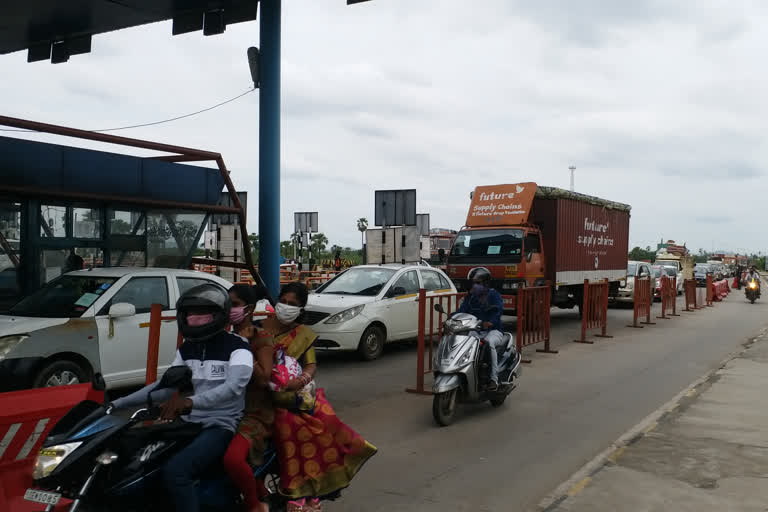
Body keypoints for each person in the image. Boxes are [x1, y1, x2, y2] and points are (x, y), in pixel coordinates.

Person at [111, 283, 253, 512]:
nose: (194, 318)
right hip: (190, 422)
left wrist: (189, 402)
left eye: (201, 313)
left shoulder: (238, 347)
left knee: (177, 471)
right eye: (190, 313)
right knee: (135, 459)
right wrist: (115, 404)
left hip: (220, 424)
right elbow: (165, 387)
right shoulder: (188, 348)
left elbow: (233, 388)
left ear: (218, 315)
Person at [266, 282, 377, 512]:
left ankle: (313, 491)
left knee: (323, 425)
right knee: (289, 426)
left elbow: (311, 365)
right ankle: (297, 489)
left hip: (295, 392)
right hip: (266, 394)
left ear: (301, 309)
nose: (286, 307)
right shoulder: (260, 328)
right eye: (283, 301)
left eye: (292, 304)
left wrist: (301, 380)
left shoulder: (304, 335)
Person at [222, 284, 274, 512]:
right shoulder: (225, 336)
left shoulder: (261, 337)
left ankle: (255, 505)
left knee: (232, 459)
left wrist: (243, 347)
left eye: (234, 305)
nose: (229, 310)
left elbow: (263, 378)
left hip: (255, 413)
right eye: (227, 305)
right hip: (226, 408)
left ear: (249, 308)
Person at [457, 267, 505, 390]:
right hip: (476, 330)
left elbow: (498, 312)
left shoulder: (494, 295)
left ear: (486, 283)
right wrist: (451, 319)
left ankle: (493, 379)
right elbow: (461, 311)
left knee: (489, 343)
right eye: (473, 283)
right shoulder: (471, 297)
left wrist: (490, 322)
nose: (474, 286)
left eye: (477, 283)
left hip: (493, 331)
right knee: (462, 341)